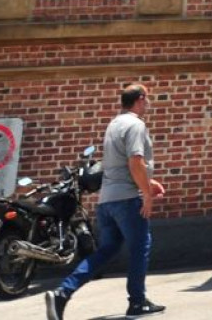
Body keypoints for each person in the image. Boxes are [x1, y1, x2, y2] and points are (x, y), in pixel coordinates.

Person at [47, 83, 166, 319]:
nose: (149, 103)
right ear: (140, 99)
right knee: (140, 248)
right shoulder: (135, 124)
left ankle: (63, 292)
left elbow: (120, 165)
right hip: (128, 200)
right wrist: (146, 195)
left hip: (107, 201)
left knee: (106, 250)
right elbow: (135, 162)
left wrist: (148, 183)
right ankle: (137, 302)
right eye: (148, 99)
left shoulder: (114, 124)